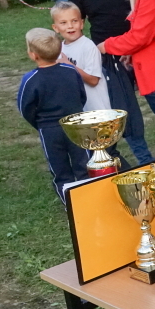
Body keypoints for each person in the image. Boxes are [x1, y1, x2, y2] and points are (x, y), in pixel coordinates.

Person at [68, 0, 155, 165]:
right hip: (108, 59)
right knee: (124, 113)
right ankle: (138, 162)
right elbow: (72, 24)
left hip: (144, 52)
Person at [17, 28, 89, 200]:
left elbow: (25, 108)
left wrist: (40, 124)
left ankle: (71, 203)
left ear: (33, 55)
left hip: (50, 130)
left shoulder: (30, 79)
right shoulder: (71, 70)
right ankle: (87, 199)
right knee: (84, 165)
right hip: (76, 125)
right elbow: (82, 95)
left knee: (60, 170)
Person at [51, 1, 110, 112]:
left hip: (97, 110)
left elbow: (93, 80)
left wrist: (70, 65)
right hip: (77, 109)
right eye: (63, 23)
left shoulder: (88, 47)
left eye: (74, 21)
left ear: (82, 23)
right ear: (56, 28)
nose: (70, 26)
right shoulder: (59, 49)